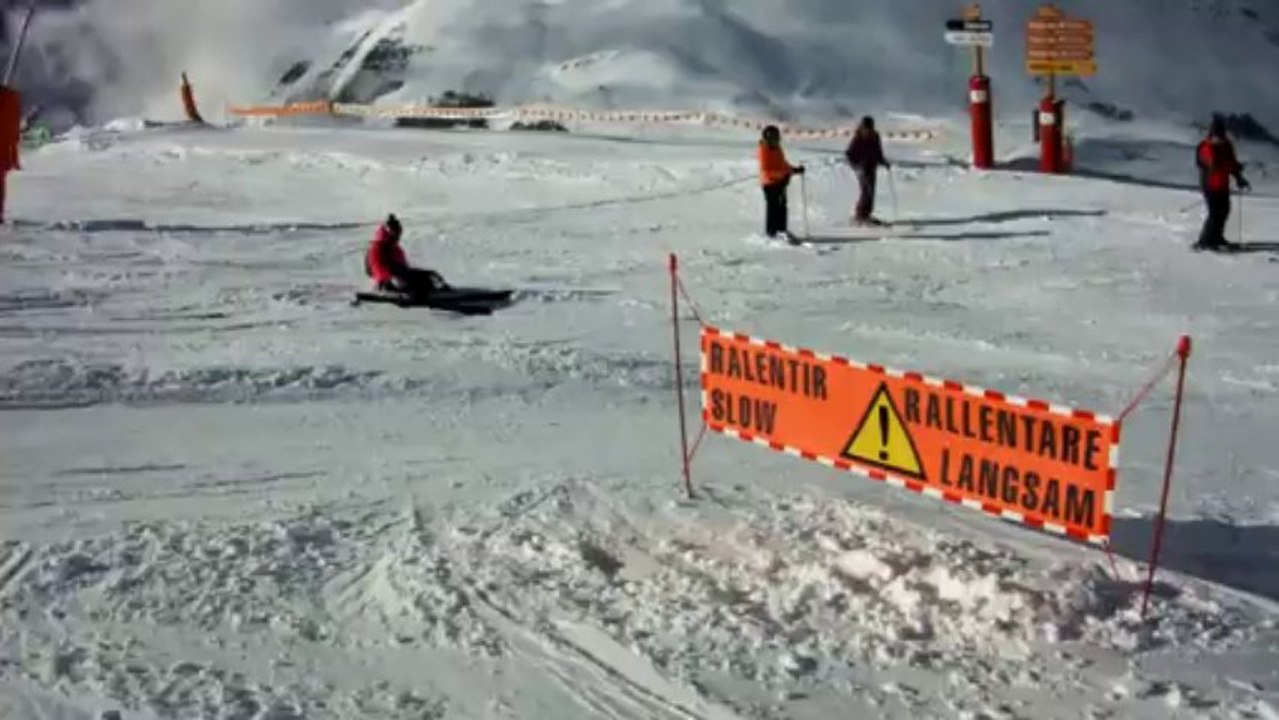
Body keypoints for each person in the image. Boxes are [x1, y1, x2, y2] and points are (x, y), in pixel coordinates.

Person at [1194, 114, 1250, 251]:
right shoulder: (1206, 148)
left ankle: (1217, 237)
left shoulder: (1226, 145)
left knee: (1224, 211)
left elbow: (1231, 162)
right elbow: (1214, 166)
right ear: (1211, 135)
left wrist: (1239, 177)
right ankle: (1205, 241)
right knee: (1215, 213)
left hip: (1222, 185)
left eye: (1221, 136)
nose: (1219, 139)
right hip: (1210, 185)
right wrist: (1232, 167)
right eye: (1217, 136)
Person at [365, 214, 448, 296]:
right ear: (391, 232)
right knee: (426, 278)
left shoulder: (385, 245)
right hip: (390, 281)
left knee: (429, 274)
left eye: (399, 233)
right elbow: (384, 267)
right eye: (397, 233)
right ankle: (431, 293)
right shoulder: (382, 247)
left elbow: (369, 271)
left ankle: (436, 289)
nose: (399, 236)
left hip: (391, 279)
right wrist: (386, 281)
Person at [757, 125, 804, 240]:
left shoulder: (777, 148)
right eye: (772, 138)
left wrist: (793, 170)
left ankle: (781, 230)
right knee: (773, 207)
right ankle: (771, 233)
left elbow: (782, 164)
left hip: (780, 182)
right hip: (770, 183)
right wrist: (783, 174)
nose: (775, 140)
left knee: (782, 206)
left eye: (776, 137)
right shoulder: (764, 151)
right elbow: (767, 170)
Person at [845, 116, 891, 226]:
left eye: (870, 127)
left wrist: (883, 162)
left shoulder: (875, 136)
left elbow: (878, 152)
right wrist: (856, 165)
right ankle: (860, 214)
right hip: (862, 168)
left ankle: (866, 214)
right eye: (866, 128)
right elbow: (849, 153)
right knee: (866, 190)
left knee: (871, 191)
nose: (868, 130)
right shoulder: (858, 136)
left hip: (872, 166)